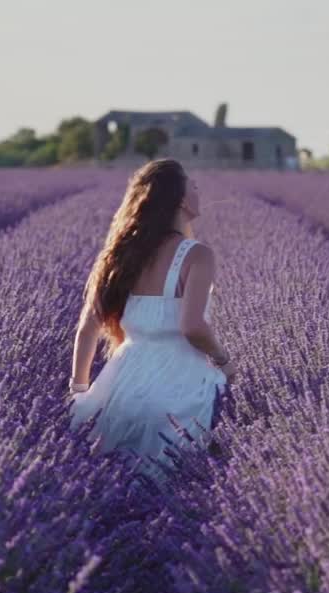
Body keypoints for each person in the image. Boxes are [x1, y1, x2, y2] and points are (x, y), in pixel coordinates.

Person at [68, 158, 238, 482]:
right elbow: (192, 327)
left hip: (123, 383)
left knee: (114, 485)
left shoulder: (120, 254)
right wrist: (225, 363)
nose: (199, 190)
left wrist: (80, 392)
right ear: (180, 199)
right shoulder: (197, 254)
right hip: (181, 386)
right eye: (193, 185)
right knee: (181, 484)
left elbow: (87, 330)